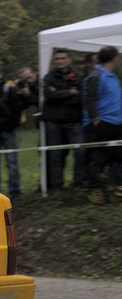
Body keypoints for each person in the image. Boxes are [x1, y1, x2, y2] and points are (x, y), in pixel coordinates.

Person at [81, 45, 122, 205]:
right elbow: (89, 99)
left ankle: (118, 186)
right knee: (97, 157)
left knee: (119, 155)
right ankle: (94, 189)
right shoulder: (96, 75)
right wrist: (95, 119)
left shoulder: (113, 76)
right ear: (114, 58)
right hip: (100, 123)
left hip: (117, 123)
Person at [42, 48, 84, 191]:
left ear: (69, 59)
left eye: (63, 58)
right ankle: (57, 187)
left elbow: (79, 97)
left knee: (80, 151)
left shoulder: (78, 76)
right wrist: (70, 92)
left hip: (74, 121)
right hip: (54, 122)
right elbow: (49, 95)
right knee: (55, 155)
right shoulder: (48, 77)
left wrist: (59, 94)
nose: (60, 61)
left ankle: (77, 184)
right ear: (54, 61)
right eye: (57, 58)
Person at [0, 65, 27, 195]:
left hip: (8, 131)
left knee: (11, 161)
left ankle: (15, 190)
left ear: (0, 75)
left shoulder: (9, 90)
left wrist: (10, 127)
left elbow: (17, 110)